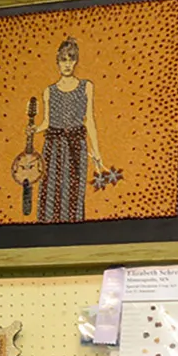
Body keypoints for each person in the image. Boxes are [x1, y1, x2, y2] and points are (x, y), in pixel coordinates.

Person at [17, 37, 108, 224]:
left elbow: (89, 120)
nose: (67, 64)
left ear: (76, 61)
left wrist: (97, 151)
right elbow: (47, 122)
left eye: (71, 59)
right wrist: (34, 130)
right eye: (63, 59)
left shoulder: (86, 87)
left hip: (76, 145)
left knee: (74, 191)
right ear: (57, 62)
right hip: (54, 147)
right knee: (51, 191)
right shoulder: (49, 91)